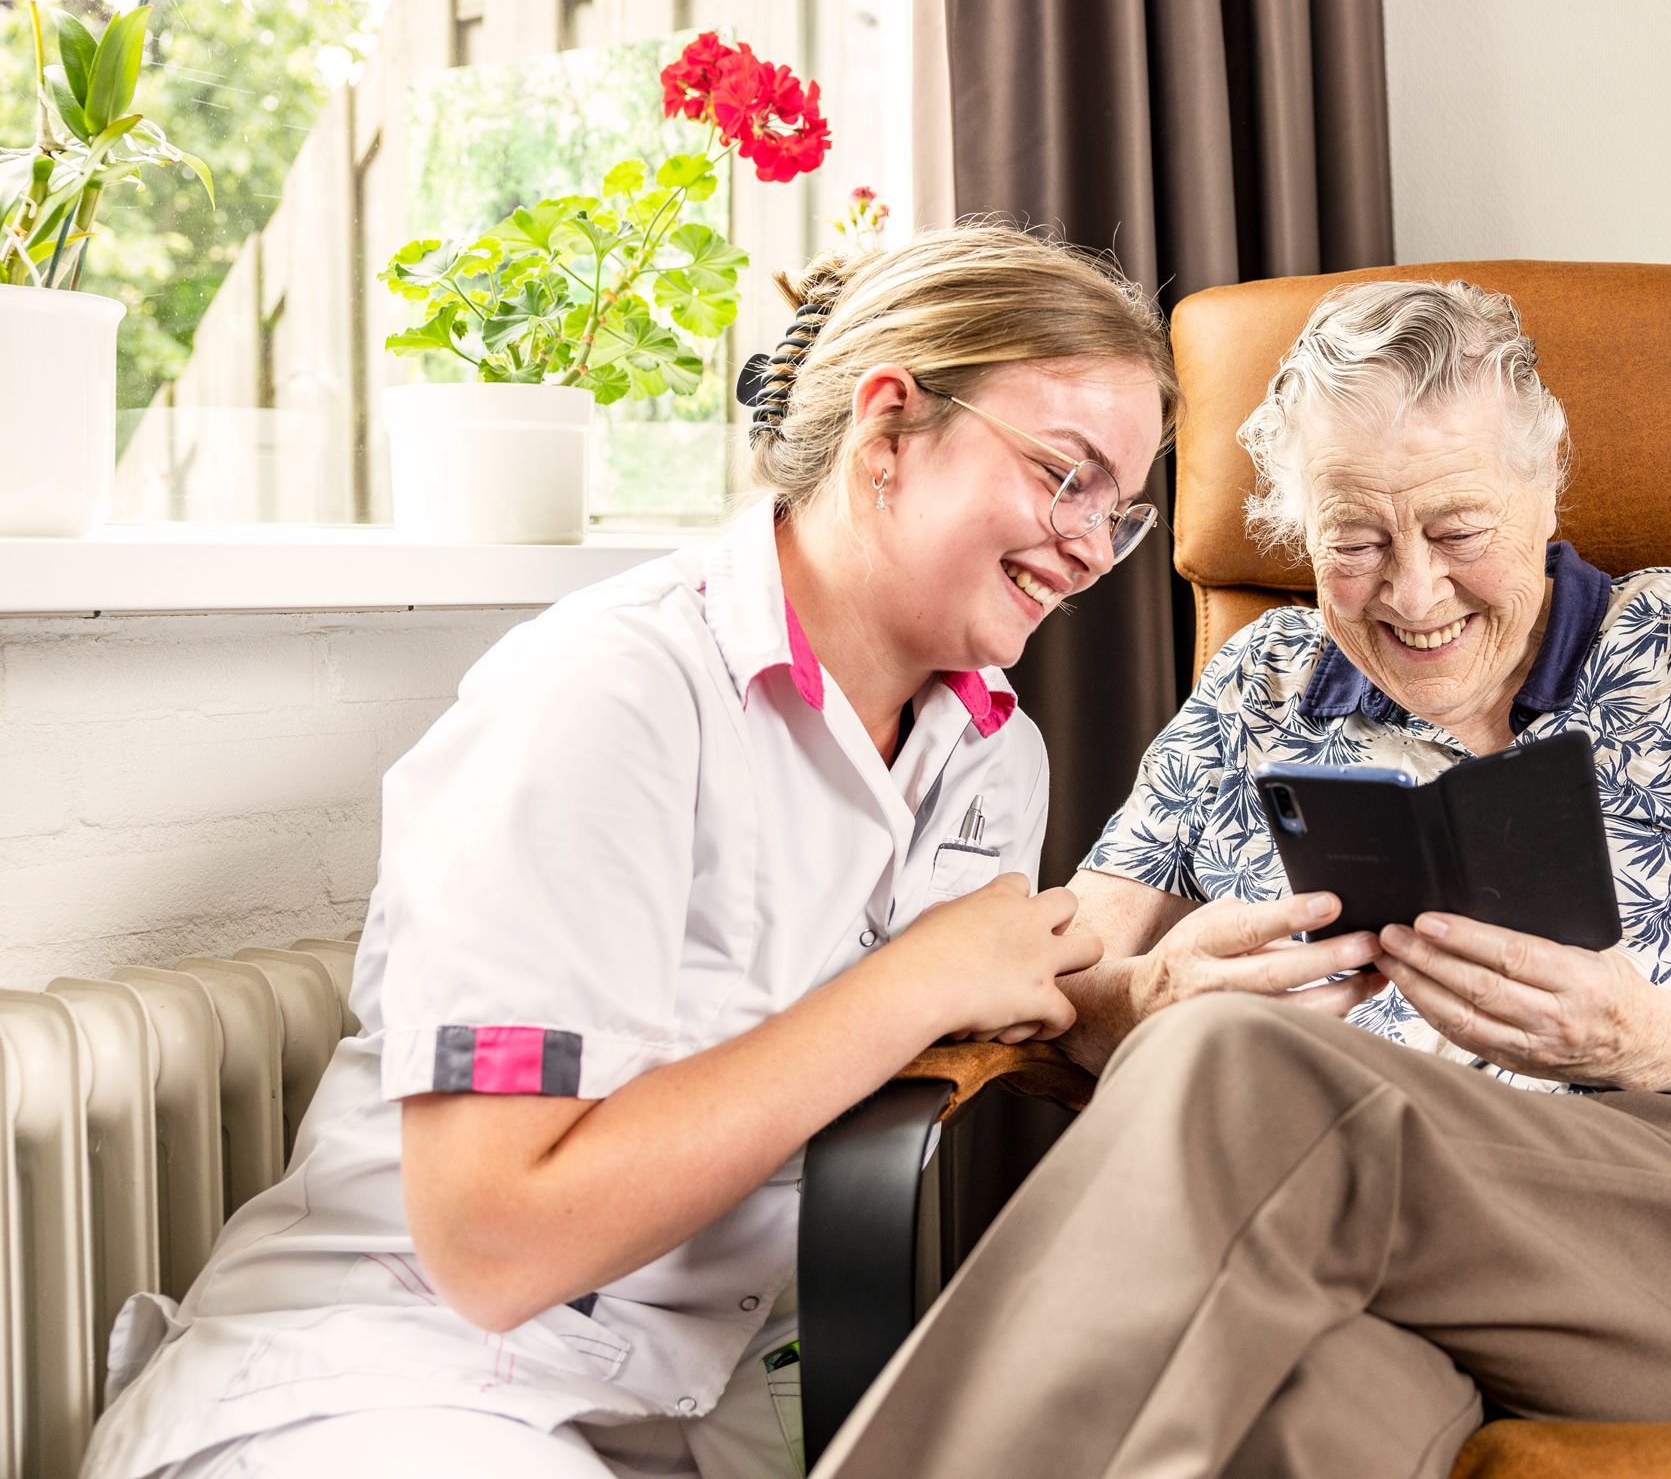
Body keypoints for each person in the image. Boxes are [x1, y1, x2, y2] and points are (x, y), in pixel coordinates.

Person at [80, 223, 1177, 1479]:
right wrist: (917, 978)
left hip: (702, 1388)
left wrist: (1108, 1005)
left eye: (1124, 510)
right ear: (888, 429)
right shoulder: (610, 696)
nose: (1092, 545)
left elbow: (924, 1010)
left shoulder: (989, 750)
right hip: (409, 1370)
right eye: (1064, 474)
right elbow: (494, 1245)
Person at [815, 277, 1671, 1479]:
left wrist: (1662, 1034)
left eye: (1457, 530)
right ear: (1298, 534)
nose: (1411, 591)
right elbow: (1052, 967)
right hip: (1352, 1272)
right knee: (1292, 1419)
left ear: (1545, 485)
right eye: (1353, 540)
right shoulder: (1260, 682)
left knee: (1232, 1065)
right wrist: (1139, 997)